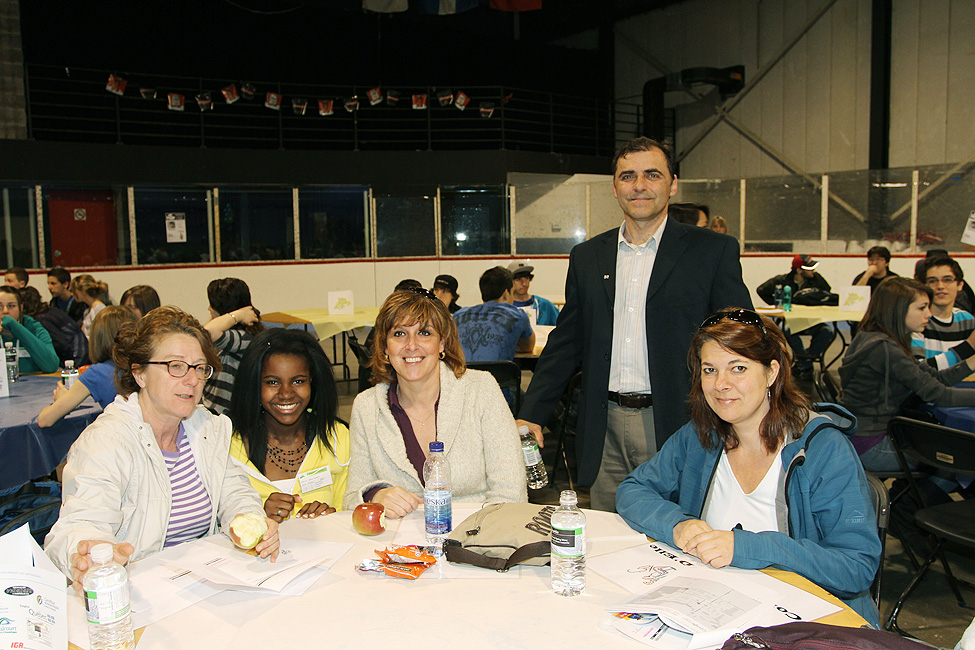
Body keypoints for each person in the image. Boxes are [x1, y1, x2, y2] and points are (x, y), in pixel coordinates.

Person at [517, 136, 752, 512]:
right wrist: (532, 413)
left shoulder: (712, 251)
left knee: (677, 541)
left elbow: (743, 341)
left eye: (652, 175)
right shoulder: (588, 256)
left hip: (682, 424)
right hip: (603, 427)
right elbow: (567, 343)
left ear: (672, 184)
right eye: (628, 176)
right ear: (614, 187)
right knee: (610, 539)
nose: (639, 185)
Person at [616, 308, 881, 627]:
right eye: (709, 370)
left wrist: (752, 547)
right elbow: (632, 491)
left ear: (772, 372)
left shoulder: (823, 449)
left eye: (738, 368)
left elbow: (855, 568)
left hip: (809, 620)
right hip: (719, 607)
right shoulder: (703, 434)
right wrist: (678, 525)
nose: (720, 384)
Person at [44, 306, 279, 585]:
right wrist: (88, 553)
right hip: (138, 592)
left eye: (200, 368)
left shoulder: (206, 428)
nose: (192, 380)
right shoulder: (107, 441)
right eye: (175, 366)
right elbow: (80, 524)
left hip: (202, 585)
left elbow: (234, 491)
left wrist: (250, 519)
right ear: (140, 374)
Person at [343, 287, 526, 516]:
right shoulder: (366, 407)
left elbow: (511, 493)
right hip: (399, 546)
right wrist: (374, 496)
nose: (411, 345)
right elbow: (352, 497)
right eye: (399, 333)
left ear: (442, 344)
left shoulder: (481, 390)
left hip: (477, 538)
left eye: (424, 333)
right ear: (384, 346)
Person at [839, 276, 975, 471]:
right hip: (870, 444)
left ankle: (909, 498)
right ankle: (910, 501)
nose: (928, 314)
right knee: (958, 460)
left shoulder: (878, 338)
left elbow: (937, 379)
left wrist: (971, 362)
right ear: (898, 310)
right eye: (922, 308)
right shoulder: (886, 349)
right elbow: (940, 395)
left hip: (860, 435)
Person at [229, 328, 351, 522]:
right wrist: (258, 515)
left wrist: (331, 518)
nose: (286, 393)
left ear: (312, 382)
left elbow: (352, 510)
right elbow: (218, 524)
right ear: (255, 385)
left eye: (298, 381)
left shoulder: (337, 437)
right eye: (272, 382)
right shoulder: (230, 446)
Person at [38, 305, 138, 427]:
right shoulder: (143, 366)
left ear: (97, 339)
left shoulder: (97, 373)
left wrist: (61, 400)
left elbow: (45, 420)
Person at [756, 255, 834, 380]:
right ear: (799, 270)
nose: (812, 271)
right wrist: (775, 304)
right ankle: (805, 364)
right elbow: (761, 290)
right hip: (790, 320)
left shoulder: (817, 280)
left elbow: (827, 294)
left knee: (828, 331)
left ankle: (803, 363)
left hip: (812, 320)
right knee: (785, 329)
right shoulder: (782, 281)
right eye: (809, 268)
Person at [202, 278, 264, 415]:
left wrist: (238, 315)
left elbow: (207, 333)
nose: (208, 308)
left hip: (225, 415)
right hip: (211, 410)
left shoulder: (244, 338)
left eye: (212, 305)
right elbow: (201, 336)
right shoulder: (228, 335)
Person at [454, 266, 535, 362]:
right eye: (512, 293)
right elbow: (528, 347)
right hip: (497, 376)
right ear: (506, 294)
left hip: (462, 375)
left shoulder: (458, 315)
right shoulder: (518, 316)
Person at [911, 256, 975, 370]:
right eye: (932, 281)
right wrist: (969, 346)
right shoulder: (915, 321)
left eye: (947, 279)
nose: (940, 286)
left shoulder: (967, 320)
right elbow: (919, 372)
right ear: (924, 286)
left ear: (960, 285)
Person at [19, 285, 89, 367]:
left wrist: (57, 363)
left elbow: (61, 345)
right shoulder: (48, 311)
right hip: (79, 351)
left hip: (76, 356)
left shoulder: (41, 320)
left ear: (23, 305)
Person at [0, 286, 59, 373]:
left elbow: (51, 366)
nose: (5, 311)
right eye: (0, 306)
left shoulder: (34, 328)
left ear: (21, 308)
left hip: (33, 384)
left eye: (11, 306)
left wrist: (15, 327)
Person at [507, 260, 560, 326]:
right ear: (510, 282)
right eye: (518, 279)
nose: (524, 283)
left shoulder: (544, 305)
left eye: (526, 278)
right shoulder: (504, 308)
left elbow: (563, 325)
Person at [70, 274, 108, 339]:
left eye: (74, 291)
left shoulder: (98, 309)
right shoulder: (87, 310)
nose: (72, 294)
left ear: (83, 291)